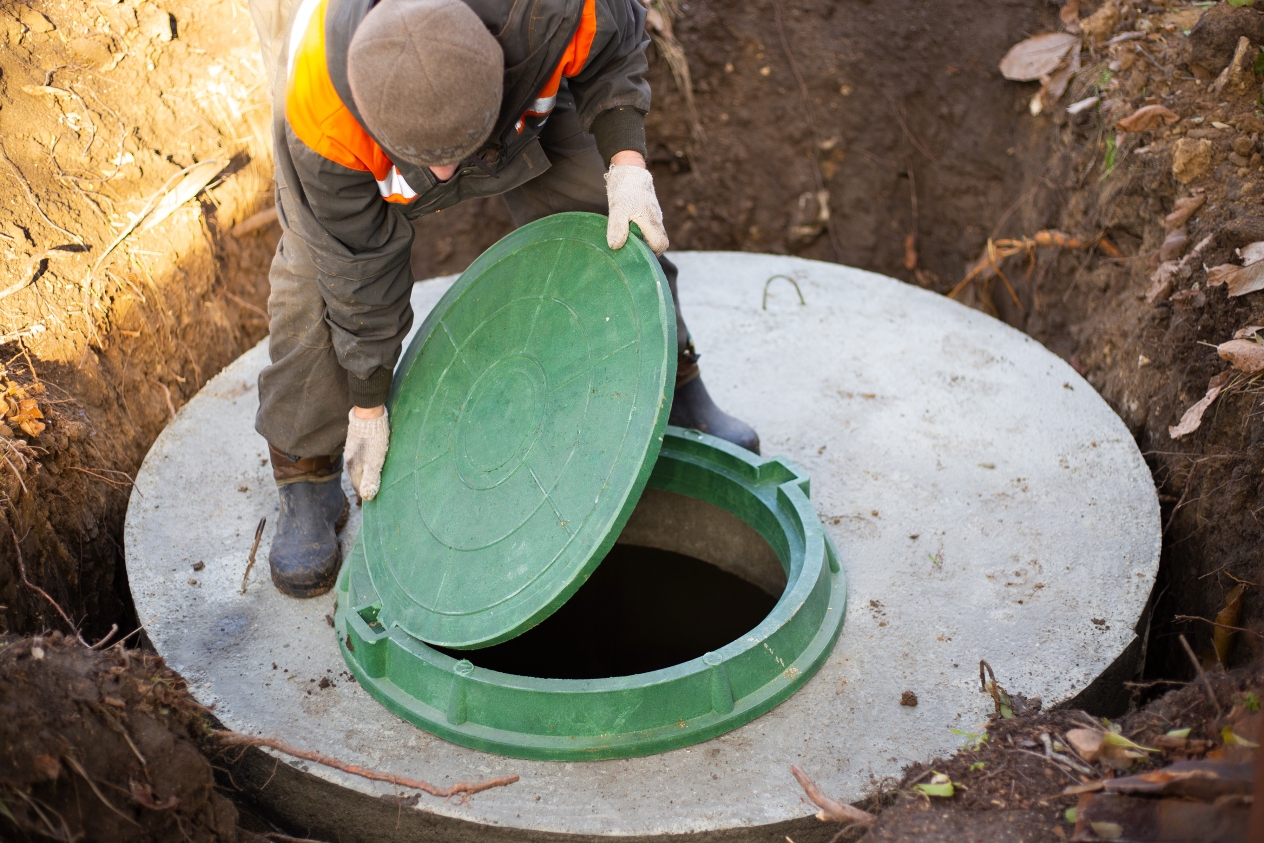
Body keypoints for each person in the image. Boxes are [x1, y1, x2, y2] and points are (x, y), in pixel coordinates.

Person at [247, 0, 760, 598]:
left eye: (453, 155)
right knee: (314, 284)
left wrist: (625, 162)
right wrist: (367, 400)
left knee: (599, 216)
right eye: (429, 160)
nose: (443, 177)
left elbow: (615, 49)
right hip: (357, 139)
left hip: (516, 106)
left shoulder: (553, 11)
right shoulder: (319, 109)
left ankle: (668, 377)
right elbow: (356, 267)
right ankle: (305, 473)